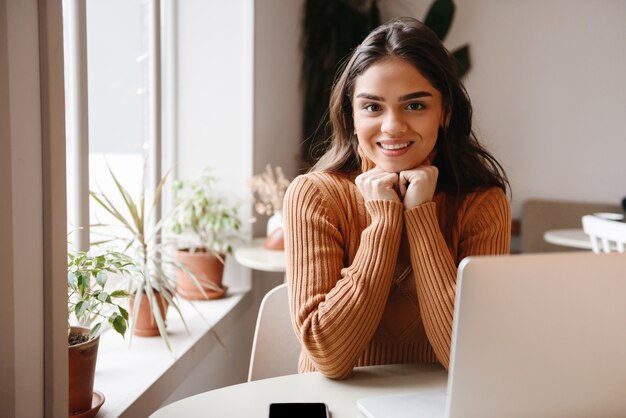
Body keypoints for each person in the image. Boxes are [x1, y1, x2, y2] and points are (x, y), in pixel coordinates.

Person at [283, 16, 511, 380]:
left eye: (415, 105)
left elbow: (468, 357)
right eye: (372, 107)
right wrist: (386, 220)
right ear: (351, 115)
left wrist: (420, 215)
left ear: (446, 113)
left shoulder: (482, 204)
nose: (392, 126)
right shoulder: (314, 196)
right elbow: (328, 356)